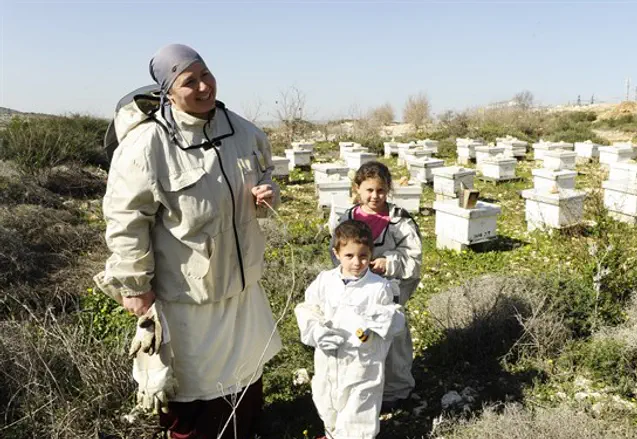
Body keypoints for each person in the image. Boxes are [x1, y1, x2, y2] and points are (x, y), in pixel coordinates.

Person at [93, 43, 282, 439]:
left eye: (206, 75)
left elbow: (266, 180)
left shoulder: (243, 132)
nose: (202, 87)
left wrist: (266, 195)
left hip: (241, 288)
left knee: (245, 377)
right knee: (191, 390)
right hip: (186, 297)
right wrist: (134, 285)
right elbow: (126, 219)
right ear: (168, 90)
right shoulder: (148, 145)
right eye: (188, 81)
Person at [295, 220, 404, 439]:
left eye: (363, 256)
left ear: (371, 254)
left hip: (362, 362)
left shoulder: (378, 286)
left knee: (358, 411)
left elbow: (395, 318)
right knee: (327, 401)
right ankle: (332, 433)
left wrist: (374, 322)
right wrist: (317, 331)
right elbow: (308, 308)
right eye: (349, 256)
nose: (357, 262)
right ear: (336, 253)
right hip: (329, 358)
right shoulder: (325, 281)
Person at [331, 161, 422, 411]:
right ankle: (361, 387)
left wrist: (388, 263)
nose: (375, 196)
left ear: (388, 190)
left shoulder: (399, 221)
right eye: (369, 190)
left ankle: (397, 391)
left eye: (380, 191)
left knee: (394, 341)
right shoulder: (347, 218)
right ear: (357, 188)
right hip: (354, 294)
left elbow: (414, 259)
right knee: (357, 339)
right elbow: (335, 252)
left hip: (389, 294)